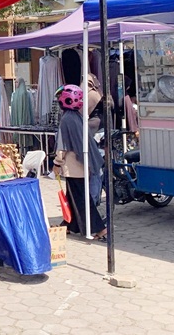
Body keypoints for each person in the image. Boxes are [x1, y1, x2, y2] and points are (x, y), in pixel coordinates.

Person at [53, 85, 107, 240]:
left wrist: (56, 164)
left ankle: (100, 229)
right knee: (73, 196)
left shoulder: (66, 119)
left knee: (81, 199)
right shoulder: (77, 117)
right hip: (83, 165)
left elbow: (62, 147)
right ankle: (70, 224)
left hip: (74, 167)